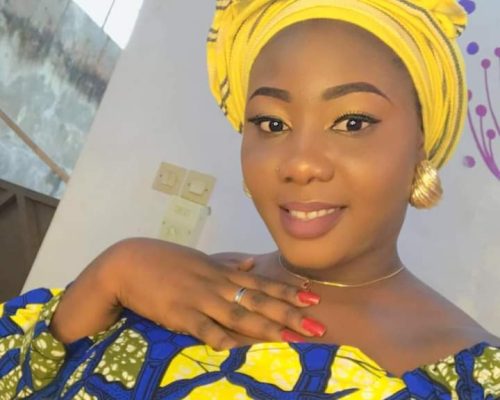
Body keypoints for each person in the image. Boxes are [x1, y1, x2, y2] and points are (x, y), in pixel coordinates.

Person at [1, 0, 499, 398]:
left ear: (420, 144)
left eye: (352, 122)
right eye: (272, 123)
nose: (299, 164)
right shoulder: (180, 282)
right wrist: (110, 275)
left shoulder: (472, 378)